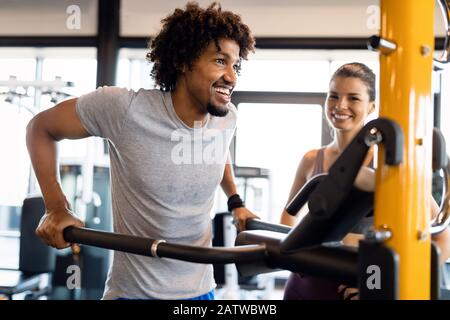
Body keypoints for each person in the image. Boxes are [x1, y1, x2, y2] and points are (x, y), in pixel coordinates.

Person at [26, 2, 258, 300]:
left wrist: (235, 201)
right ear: (184, 61)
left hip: (201, 292)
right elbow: (40, 128)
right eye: (220, 61)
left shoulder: (227, 118)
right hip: (134, 292)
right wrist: (55, 207)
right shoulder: (124, 109)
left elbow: (217, 149)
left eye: (235, 65)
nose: (232, 76)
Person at [280, 62, 450, 300]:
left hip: (360, 285)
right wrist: (295, 257)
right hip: (306, 285)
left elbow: (442, 239)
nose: (341, 105)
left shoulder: (389, 166)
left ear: (371, 107)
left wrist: (388, 280)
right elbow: (288, 216)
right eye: (334, 96)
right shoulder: (311, 160)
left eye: (353, 98)